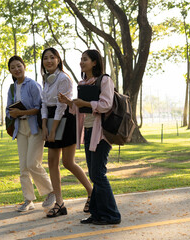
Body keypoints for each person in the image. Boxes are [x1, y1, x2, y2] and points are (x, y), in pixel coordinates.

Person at [58, 49, 121, 225]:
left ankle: (112, 215)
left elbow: (106, 105)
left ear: (94, 62)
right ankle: (97, 214)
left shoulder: (104, 80)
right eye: (81, 59)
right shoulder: (83, 83)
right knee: (94, 175)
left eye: (85, 59)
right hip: (88, 131)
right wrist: (70, 103)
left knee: (98, 174)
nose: (81, 62)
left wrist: (84, 103)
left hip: (102, 133)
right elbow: (82, 110)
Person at [40, 47, 93, 218]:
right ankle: (59, 203)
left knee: (68, 162)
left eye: (52, 57)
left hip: (64, 119)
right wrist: (44, 126)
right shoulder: (46, 79)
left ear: (58, 59)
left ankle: (92, 193)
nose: (49, 61)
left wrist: (54, 129)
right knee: (52, 162)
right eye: (45, 58)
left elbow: (61, 106)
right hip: (51, 119)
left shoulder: (64, 79)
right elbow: (43, 104)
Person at [6, 55, 55, 212]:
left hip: (35, 128)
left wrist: (22, 111)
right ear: (10, 71)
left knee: (32, 163)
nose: (16, 69)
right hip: (20, 129)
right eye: (13, 67)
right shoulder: (12, 88)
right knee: (23, 167)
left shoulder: (33, 85)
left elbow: (40, 108)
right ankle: (28, 200)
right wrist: (12, 113)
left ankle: (51, 192)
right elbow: (8, 109)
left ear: (24, 66)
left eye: (18, 66)